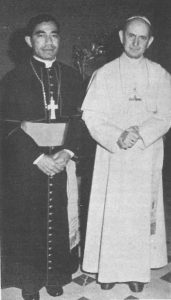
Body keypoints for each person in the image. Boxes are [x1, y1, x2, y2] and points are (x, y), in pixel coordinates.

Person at [81, 16, 171, 292]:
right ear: (121, 36)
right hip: (113, 156)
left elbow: (166, 115)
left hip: (146, 154)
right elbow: (92, 116)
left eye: (142, 38)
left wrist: (141, 132)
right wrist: (117, 135)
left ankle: (136, 273)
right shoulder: (105, 73)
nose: (135, 42)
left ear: (150, 41)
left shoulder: (159, 74)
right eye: (131, 36)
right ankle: (108, 272)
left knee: (138, 214)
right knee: (113, 213)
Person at [1, 14, 84, 300]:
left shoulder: (73, 77)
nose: (48, 41)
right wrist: (38, 158)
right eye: (41, 35)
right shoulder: (13, 79)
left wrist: (67, 151)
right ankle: (29, 281)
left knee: (59, 217)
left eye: (54, 35)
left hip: (61, 160)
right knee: (28, 222)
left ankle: (56, 275)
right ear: (28, 40)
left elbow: (80, 122)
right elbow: (7, 127)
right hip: (27, 165)